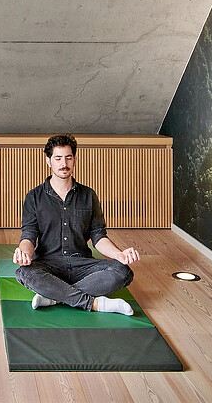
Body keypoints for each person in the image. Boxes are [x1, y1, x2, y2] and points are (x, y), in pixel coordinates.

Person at [12, 134, 139, 315]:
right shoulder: (33, 196)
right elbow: (29, 234)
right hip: (49, 264)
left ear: (75, 159)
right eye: (58, 158)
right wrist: (24, 253)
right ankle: (95, 304)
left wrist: (120, 254)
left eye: (68, 157)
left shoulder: (88, 195)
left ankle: (54, 296)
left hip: (83, 265)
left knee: (122, 271)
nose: (64, 163)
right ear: (48, 161)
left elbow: (98, 235)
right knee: (24, 273)